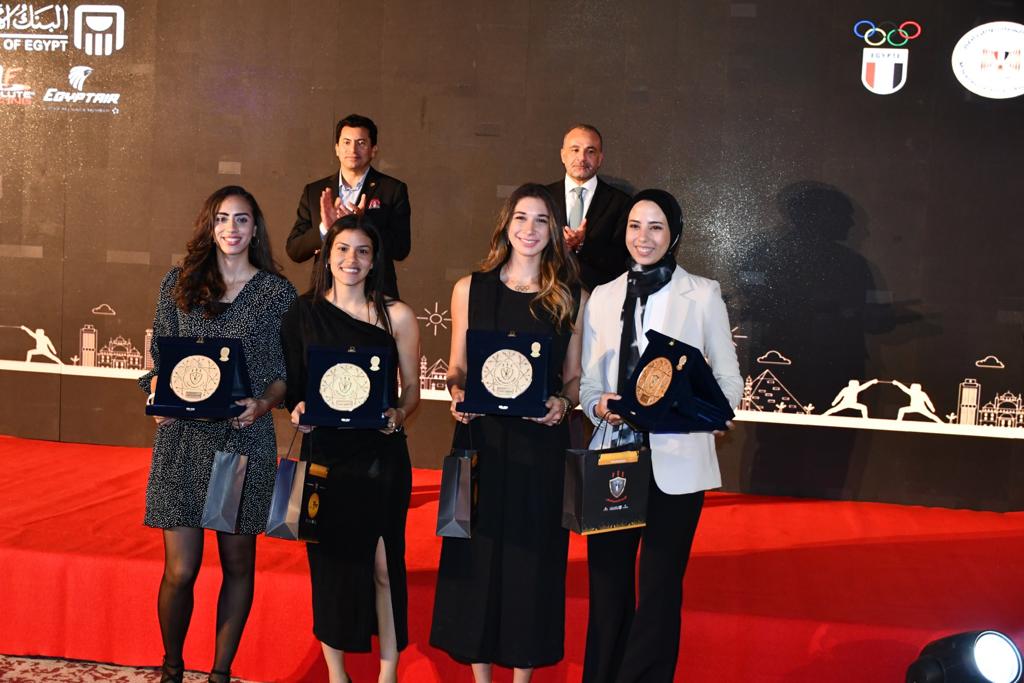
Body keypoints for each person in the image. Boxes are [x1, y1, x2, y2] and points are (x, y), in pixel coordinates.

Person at [579, 189, 743, 683]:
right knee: (607, 584)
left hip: (677, 461)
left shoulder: (703, 294)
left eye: (655, 227)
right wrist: (598, 405)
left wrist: (705, 412)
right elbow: (588, 384)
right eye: (634, 226)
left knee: (659, 587)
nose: (643, 237)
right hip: (614, 456)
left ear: (673, 235)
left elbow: (729, 379)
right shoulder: (603, 296)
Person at [139, 186, 297, 683]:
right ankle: (171, 669)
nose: (232, 228)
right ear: (210, 226)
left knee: (237, 564)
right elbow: (159, 357)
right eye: (223, 218)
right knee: (180, 570)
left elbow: (288, 373)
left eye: (242, 219)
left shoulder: (277, 293)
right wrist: (157, 395)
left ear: (255, 228)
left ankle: (220, 674)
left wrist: (263, 404)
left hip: (240, 444)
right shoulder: (178, 283)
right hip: (182, 441)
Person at [430, 183, 586, 683]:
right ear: (506, 224)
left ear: (554, 231)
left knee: (531, 564)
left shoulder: (570, 295)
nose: (529, 229)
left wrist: (563, 403)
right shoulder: (470, 289)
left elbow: (574, 378)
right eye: (521, 217)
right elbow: (457, 367)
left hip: (539, 446)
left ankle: (521, 679)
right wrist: (457, 392)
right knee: (475, 557)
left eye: (541, 220)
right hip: (480, 441)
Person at [281, 214, 421, 683]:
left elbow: (412, 390)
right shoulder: (302, 314)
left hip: (381, 458)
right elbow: (294, 390)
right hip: (325, 458)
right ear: (326, 255)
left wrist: (398, 414)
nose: (351, 260)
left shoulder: (397, 315)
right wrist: (298, 410)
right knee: (329, 569)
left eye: (363, 251)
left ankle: (388, 674)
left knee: (384, 566)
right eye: (342, 249)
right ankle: (337, 675)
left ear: (375, 259)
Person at [287, 113, 411, 298]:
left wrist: (365, 223)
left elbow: (401, 249)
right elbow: (295, 250)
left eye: (361, 143)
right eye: (346, 142)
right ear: (337, 149)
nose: (353, 149)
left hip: (375, 295)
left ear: (373, 150)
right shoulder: (314, 191)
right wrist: (325, 229)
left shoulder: (392, 190)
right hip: (326, 295)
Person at [546, 124, 631, 291]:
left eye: (590, 151)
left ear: (600, 158)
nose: (582, 158)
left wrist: (584, 245)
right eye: (575, 150)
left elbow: (622, 260)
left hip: (598, 297)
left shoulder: (621, 203)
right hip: (545, 292)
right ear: (563, 155)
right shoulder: (542, 198)